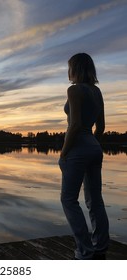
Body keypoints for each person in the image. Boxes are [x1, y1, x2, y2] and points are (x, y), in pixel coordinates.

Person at [59, 53, 109, 260]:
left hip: (78, 148)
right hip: (94, 147)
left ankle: (85, 250)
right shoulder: (96, 91)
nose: (68, 71)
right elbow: (102, 127)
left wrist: (64, 153)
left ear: (75, 69)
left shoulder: (74, 90)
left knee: (68, 199)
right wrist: (92, 144)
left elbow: (75, 125)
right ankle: (100, 246)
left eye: (69, 67)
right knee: (95, 199)